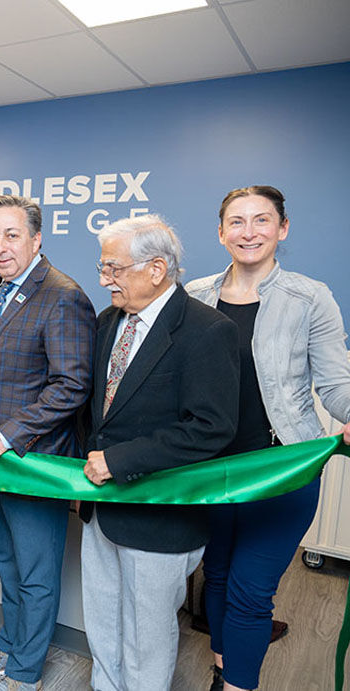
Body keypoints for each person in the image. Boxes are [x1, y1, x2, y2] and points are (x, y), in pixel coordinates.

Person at [187, 185, 350, 691]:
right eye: (237, 221)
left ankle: (238, 685)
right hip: (210, 469)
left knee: (251, 590)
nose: (249, 231)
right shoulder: (192, 297)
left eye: (262, 220)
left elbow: (337, 383)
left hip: (283, 470)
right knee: (214, 577)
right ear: (220, 233)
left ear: (283, 229)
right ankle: (222, 670)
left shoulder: (310, 297)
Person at [79, 214, 239, 690]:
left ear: (156, 269)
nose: (104, 278)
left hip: (160, 515)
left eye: (114, 268)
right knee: (103, 624)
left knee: (147, 638)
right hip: (102, 510)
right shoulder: (110, 320)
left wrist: (120, 461)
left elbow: (212, 428)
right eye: (102, 266)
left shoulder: (208, 330)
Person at [0, 196, 95, 691]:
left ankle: (24, 674)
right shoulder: (0, 287)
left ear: (37, 239)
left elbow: (71, 386)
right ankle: (9, 645)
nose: (0, 246)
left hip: (35, 460)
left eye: (12, 235)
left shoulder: (62, 295)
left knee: (36, 574)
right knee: (10, 565)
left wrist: (5, 435)